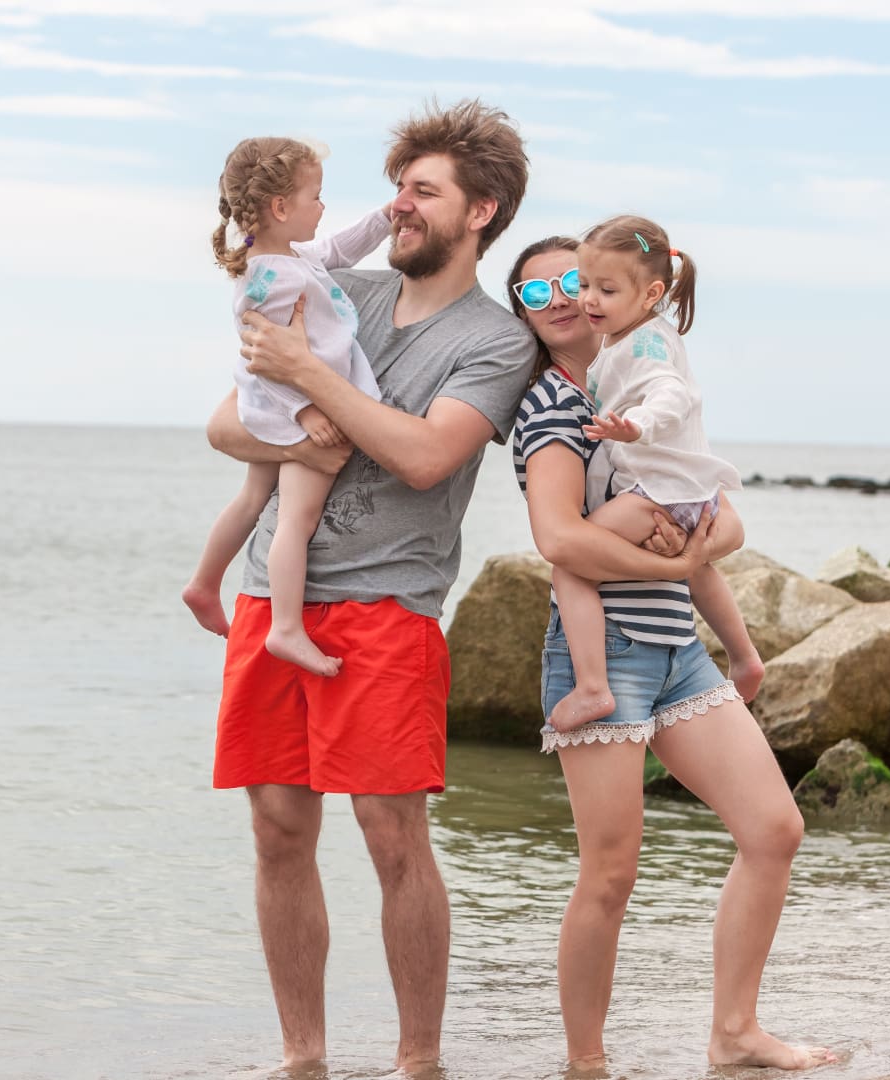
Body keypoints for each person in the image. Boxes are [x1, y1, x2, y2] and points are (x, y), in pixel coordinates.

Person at [203, 99, 536, 1074]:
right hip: (276, 599)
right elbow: (224, 424)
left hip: (387, 609)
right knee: (274, 833)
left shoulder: (495, 341)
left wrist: (313, 382)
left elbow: (427, 456)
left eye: (421, 192)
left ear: (479, 209)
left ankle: (417, 1062)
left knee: (392, 836)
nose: (397, 207)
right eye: (395, 188)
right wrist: (302, 422)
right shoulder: (329, 284)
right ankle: (302, 1059)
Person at [507, 235, 834, 1071]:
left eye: (575, 281)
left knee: (774, 829)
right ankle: (586, 1062)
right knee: (610, 873)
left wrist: (700, 566)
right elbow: (561, 542)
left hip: (677, 649)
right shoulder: (552, 408)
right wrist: (678, 561)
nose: (566, 299)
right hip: (603, 653)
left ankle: (735, 1034)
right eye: (539, 296)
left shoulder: (647, 379)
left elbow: (720, 516)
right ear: (527, 321)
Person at [182, 136, 393, 677]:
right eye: (315, 196)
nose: (323, 207)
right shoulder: (272, 280)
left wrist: (386, 217)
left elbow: (341, 249)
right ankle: (286, 628)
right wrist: (306, 412)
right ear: (281, 207)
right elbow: (267, 360)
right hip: (292, 408)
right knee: (295, 521)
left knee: (255, 495)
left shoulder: (282, 258)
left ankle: (205, 584)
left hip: (274, 408)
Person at [542, 213, 758, 733]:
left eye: (607, 290)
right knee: (699, 567)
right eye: (585, 284)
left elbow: (671, 393)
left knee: (572, 566)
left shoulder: (645, 344)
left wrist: (635, 427)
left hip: (657, 493)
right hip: (690, 492)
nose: (588, 300)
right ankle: (746, 658)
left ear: (651, 292)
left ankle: (593, 685)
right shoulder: (634, 335)